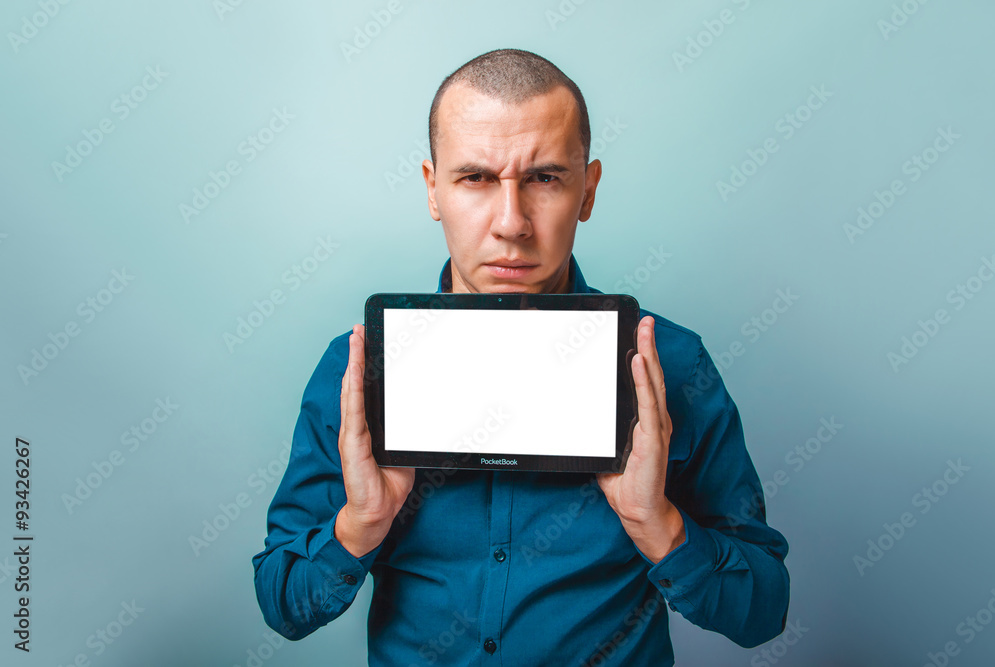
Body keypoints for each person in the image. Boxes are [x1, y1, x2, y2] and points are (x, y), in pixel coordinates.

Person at [252, 48, 789, 666]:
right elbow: (283, 603)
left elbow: (763, 611)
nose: (512, 223)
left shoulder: (670, 364)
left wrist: (658, 525)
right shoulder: (358, 372)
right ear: (433, 189)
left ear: (588, 190)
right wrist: (360, 525)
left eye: (545, 178)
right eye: (476, 178)